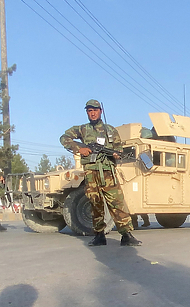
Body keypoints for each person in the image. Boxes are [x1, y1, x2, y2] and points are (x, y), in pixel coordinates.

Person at [60, 99, 142, 246]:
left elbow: (118, 148)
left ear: (100, 111)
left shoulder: (110, 130)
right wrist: (79, 149)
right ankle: (99, 235)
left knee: (117, 202)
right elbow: (64, 138)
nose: (92, 113)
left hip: (108, 172)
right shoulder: (82, 129)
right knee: (95, 203)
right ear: (87, 112)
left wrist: (117, 154)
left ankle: (126, 235)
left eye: (95, 110)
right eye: (89, 111)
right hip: (91, 173)